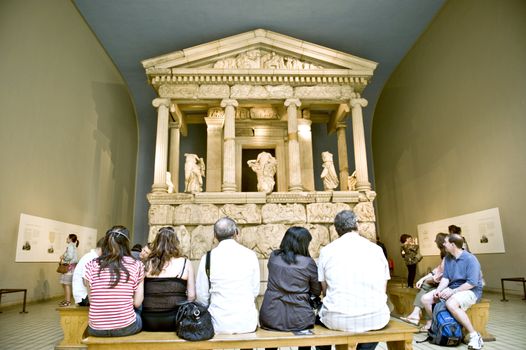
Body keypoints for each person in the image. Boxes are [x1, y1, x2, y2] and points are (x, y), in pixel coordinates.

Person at [316, 210, 390, 350]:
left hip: (337, 318)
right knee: (372, 324)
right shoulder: (376, 249)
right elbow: (383, 287)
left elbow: (325, 290)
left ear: (336, 230)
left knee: (321, 319)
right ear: (357, 224)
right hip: (375, 316)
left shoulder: (327, 251)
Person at [259, 227, 321, 350]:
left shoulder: (274, 257)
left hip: (271, 317)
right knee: (304, 343)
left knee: (271, 342)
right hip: (300, 319)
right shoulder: (308, 263)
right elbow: (316, 291)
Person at [195, 217, 260, 334]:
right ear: (236, 232)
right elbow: (255, 291)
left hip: (218, 323)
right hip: (246, 322)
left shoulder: (207, 258)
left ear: (215, 236)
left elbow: (202, 296)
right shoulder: (251, 255)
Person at [421, 233, 484, 349]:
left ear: (453, 244)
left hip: (471, 290)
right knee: (426, 299)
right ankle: (440, 327)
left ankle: (475, 336)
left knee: (451, 303)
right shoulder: (448, 258)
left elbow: (472, 283)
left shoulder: (470, 259)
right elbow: (446, 278)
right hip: (453, 288)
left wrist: (452, 291)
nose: (443, 244)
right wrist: (439, 290)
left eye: (446, 242)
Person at [83, 226, 144, 337]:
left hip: (96, 328)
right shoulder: (136, 265)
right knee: (139, 312)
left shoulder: (91, 264)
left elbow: (91, 300)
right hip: (126, 327)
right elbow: (137, 302)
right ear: (126, 243)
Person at [142, 226, 196, 331]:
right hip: (176, 319)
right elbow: (192, 296)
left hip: (148, 320)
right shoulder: (185, 263)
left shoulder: (147, 264)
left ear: (156, 242)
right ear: (175, 242)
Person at [400, 232, 447, 326]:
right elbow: (438, 270)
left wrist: (428, 279)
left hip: (449, 284)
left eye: (436, 240)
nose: (434, 241)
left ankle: (420, 317)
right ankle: (417, 315)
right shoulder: (445, 254)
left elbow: (441, 274)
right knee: (425, 284)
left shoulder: (449, 255)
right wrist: (424, 279)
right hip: (412, 262)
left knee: (426, 287)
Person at [72, 238, 103, 306]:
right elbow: (86, 282)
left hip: (85, 295)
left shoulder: (91, 256)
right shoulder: (91, 258)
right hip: (84, 296)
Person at [59, 234, 79, 307]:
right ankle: (66, 300)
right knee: (65, 284)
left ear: (70, 239)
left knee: (66, 284)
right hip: (71, 268)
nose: (66, 238)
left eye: (67, 237)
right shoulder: (73, 246)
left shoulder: (70, 246)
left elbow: (70, 256)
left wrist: (63, 257)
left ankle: (68, 301)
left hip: (68, 268)